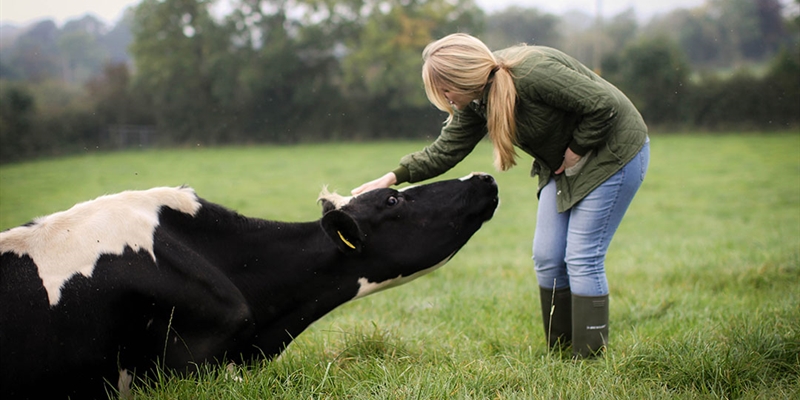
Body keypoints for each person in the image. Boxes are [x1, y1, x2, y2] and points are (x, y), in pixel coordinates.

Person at [351, 33, 649, 358]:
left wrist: (576, 151)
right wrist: (394, 176)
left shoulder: (533, 73)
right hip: (561, 166)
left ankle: (589, 358)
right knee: (548, 256)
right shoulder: (476, 100)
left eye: (444, 90)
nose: (445, 98)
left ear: (461, 79)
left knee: (581, 256)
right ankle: (562, 353)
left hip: (613, 153)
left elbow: (604, 106)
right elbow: (446, 150)